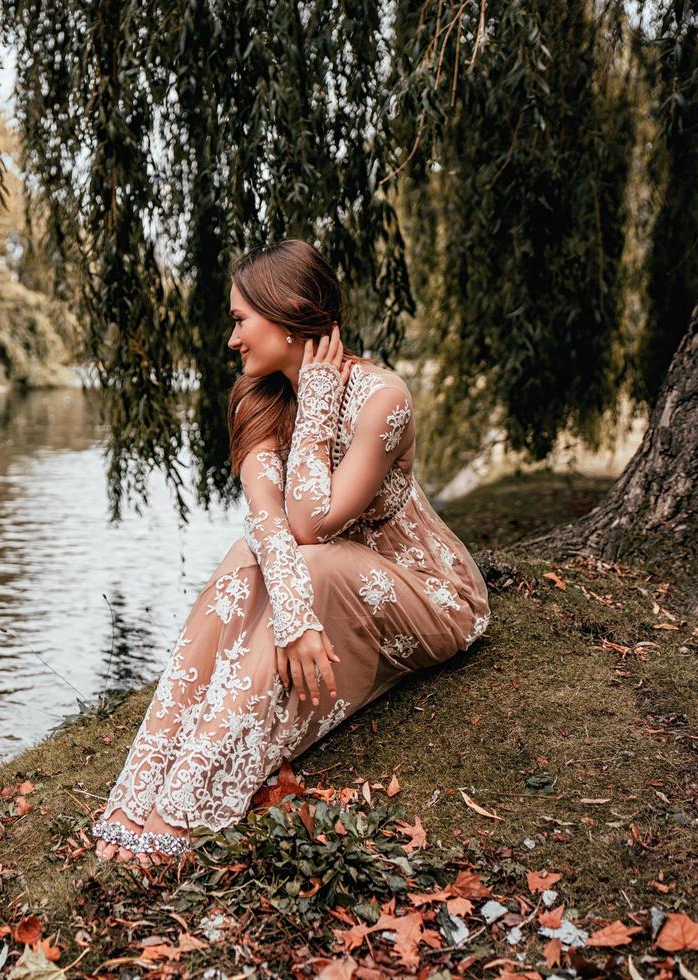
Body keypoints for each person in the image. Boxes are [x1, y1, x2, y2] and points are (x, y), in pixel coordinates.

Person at [91, 239, 492, 866]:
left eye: (240, 320)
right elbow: (267, 521)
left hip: (422, 591)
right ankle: (140, 789)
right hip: (322, 579)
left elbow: (309, 522)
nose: (233, 340)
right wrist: (297, 619)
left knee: (308, 562)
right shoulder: (256, 397)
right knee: (243, 562)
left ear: (290, 313)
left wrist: (318, 404)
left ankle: (184, 807)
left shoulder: (382, 398)